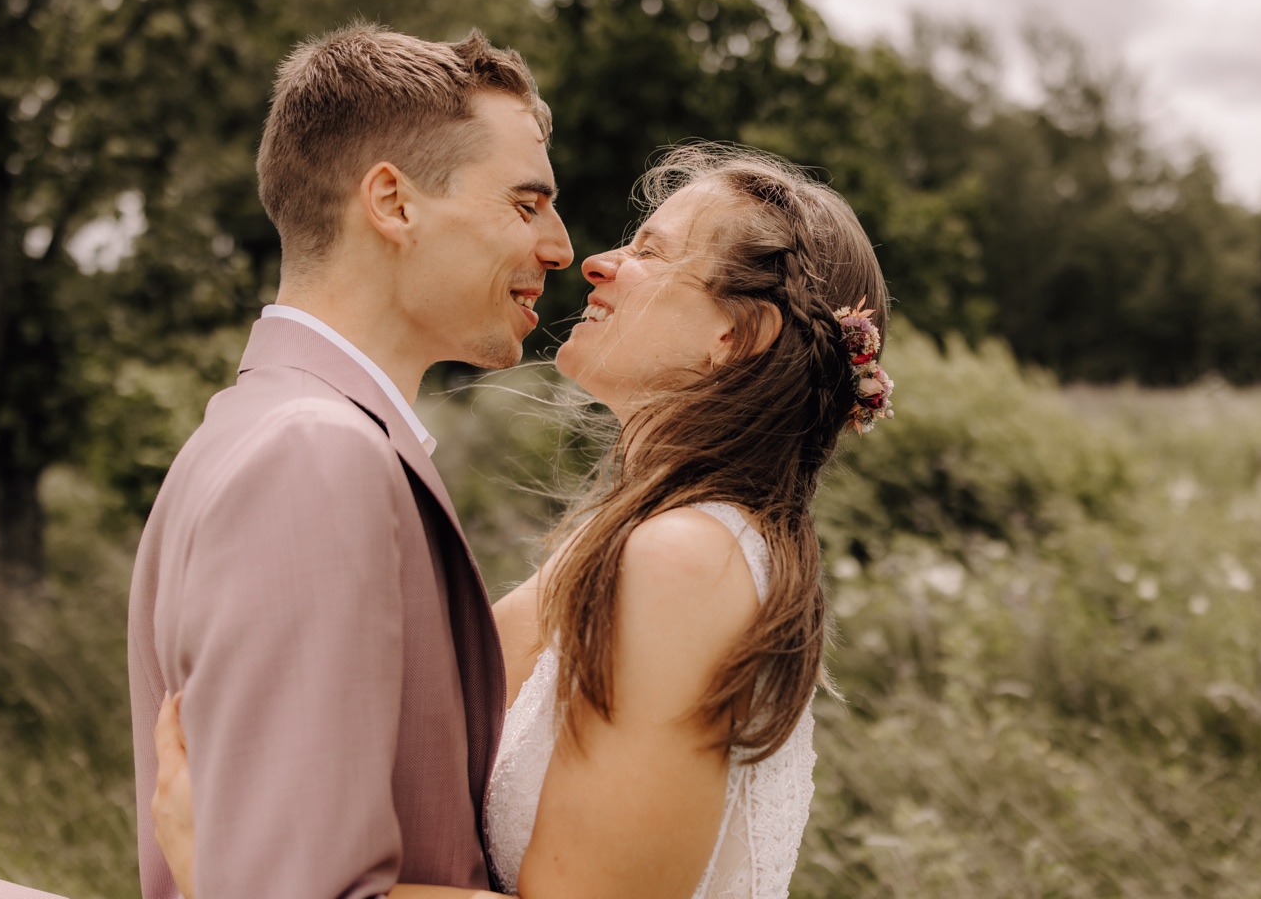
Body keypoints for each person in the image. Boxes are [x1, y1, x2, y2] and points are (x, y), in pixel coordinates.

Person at [150, 142, 895, 899]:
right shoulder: (626, 544)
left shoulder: (686, 560)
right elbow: (423, 705)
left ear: (734, 337)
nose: (596, 262)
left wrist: (242, 868)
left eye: (649, 251)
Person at [128, 23, 572, 899]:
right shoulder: (312, 454)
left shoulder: (276, 427)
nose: (559, 247)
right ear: (394, 203)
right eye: (526, 205)